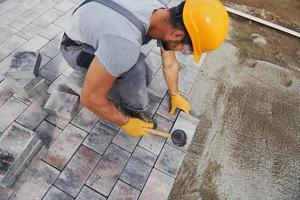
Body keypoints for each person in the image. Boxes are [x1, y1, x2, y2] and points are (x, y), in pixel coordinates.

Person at [60, 0, 229, 137]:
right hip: (75, 47)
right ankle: (133, 110)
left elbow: (168, 61)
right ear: (177, 35)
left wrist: (175, 95)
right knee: (135, 67)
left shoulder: (161, 11)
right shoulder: (124, 42)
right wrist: (125, 122)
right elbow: (89, 98)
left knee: (142, 75)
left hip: (96, 20)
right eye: (186, 50)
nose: (184, 52)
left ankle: (119, 78)